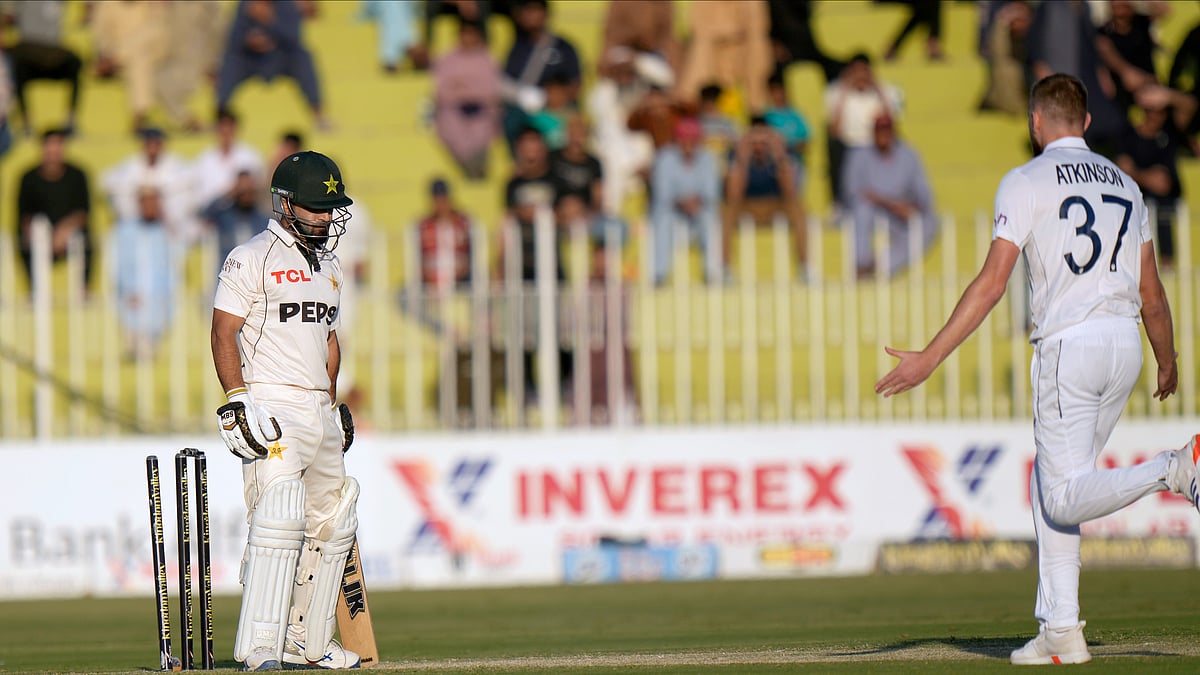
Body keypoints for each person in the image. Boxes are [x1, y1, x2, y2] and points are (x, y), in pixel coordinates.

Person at [876, 74, 1187, 666]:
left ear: (1035, 122)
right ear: (1088, 122)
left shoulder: (1024, 181)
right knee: (1054, 489)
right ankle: (1061, 631)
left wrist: (930, 357)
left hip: (1071, 348)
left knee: (1063, 495)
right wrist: (1166, 361)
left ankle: (1173, 468)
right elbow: (1152, 294)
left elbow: (993, 283)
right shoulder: (1125, 184)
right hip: (1124, 345)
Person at [210, 150, 360, 670]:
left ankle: (306, 643)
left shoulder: (331, 266)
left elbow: (328, 340)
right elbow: (223, 330)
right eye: (315, 207)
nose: (325, 216)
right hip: (272, 401)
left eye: (330, 207)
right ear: (285, 203)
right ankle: (258, 647)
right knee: (278, 516)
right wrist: (237, 399)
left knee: (332, 521)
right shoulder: (250, 257)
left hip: (318, 406)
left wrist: (332, 402)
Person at [841, 115, 937, 278]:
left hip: (899, 215)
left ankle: (880, 266)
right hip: (874, 212)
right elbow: (852, 191)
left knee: (930, 223)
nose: (883, 136)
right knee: (862, 209)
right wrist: (889, 204)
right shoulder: (859, 155)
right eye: (879, 131)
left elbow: (924, 194)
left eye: (886, 131)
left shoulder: (909, 155)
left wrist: (911, 206)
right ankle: (861, 263)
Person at [217, 0, 329, 130]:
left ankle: (319, 116)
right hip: (251, 58)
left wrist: (269, 20)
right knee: (230, 61)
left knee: (303, 58)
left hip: (280, 57)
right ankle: (220, 116)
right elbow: (234, 38)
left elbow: (294, 37)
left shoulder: (287, 4)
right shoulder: (246, 4)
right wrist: (250, 41)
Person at [723, 117, 807, 279]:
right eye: (755, 140)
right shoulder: (737, 153)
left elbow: (790, 192)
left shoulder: (783, 152)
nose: (759, 146)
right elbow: (733, 195)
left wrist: (779, 157)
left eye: (764, 140)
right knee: (727, 212)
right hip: (747, 205)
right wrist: (743, 159)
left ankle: (805, 267)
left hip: (774, 204)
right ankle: (726, 269)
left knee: (797, 208)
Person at [16, 128, 92, 290]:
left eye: (57, 146)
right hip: (39, 234)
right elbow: (24, 216)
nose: (53, 152)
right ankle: (34, 290)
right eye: (50, 146)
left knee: (87, 240)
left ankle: (83, 288)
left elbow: (83, 213)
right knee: (26, 238)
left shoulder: (78, 175)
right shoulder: (28, 178)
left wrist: (64, 231)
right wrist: (42, 237)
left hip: (69, 233)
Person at [824, 53, 902, 209]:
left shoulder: (888, 91)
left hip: (875, 145)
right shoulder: (835, 92)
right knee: (833, 145)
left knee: (897, 145)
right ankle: (839, 204)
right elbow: (835, 129)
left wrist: (878, 88)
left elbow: (892, 125)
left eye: (863, 71)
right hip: (849, 146)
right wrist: (845, 90)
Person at [650, 116, 721, 284]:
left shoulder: (708, 158)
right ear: (677, 140)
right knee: (663, 221)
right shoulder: (664, 158)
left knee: (710, 219)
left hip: (698, 210)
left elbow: (711, 193)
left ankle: (712, 273)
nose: (688, 144)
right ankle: (659, 274)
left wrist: (694, 202)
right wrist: (683, 202)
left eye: (692, 140)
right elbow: (662, 194)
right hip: (672, 211)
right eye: (684, 140)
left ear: (698, 141)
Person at [110, 185, 176, 361]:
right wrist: (125, 290)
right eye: (147, 202)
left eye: (154, 202)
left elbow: (173, 265)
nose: (151, 206)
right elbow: (116, 263)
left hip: (160, 302)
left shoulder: (165, 231)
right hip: (132, 300)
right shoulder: (124, 230)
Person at [433, 18, 501, 180]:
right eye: (465, 34)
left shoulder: (488, 59)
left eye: (472, 34)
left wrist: (464, 88)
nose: (468, 38)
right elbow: (443, 91)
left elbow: (491, 90)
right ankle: (471, 168)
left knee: (486, 127)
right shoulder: (448, 59)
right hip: (455, 111)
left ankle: (477, 168)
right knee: (448, 125)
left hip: (482, 111)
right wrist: (469, 90)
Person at [192, 109, 267, 214]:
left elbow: (258, 188)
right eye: (222, 129)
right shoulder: (204, 159)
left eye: (229, 129)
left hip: (241, 214)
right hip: (211, 215)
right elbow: (200, 194)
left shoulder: (251, 157)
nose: (226, 134)